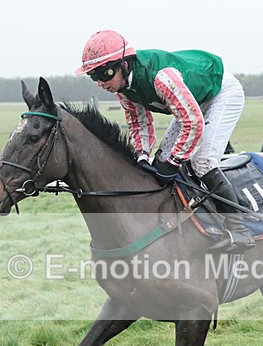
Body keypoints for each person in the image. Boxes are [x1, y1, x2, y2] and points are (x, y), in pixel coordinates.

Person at [75, 30, 253, 251]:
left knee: (202, 161)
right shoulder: (123, 90)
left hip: (220, 93)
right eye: (94, 77)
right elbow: (139, 124)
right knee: (160, 161)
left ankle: (240, 229)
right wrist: (142, 156)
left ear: (124, 65)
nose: (101, 83)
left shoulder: (161, 78)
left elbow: (192, 122)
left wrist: (175, 161)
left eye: (104, 73)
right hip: (193, 99)